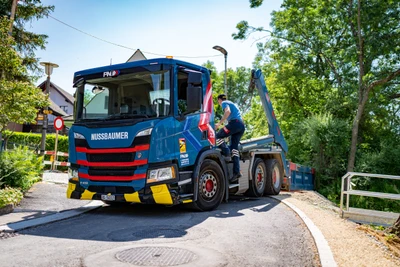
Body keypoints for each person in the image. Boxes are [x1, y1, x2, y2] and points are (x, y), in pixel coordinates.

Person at [215, 94, 245, 183]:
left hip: (234, 124)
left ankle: (226, 152)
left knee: (217, 136)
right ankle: (237, 171)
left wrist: (219, 124)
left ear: (219, 100)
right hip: (241, 126)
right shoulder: (232, 103)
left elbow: (227, 112)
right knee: (234, 148)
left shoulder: (224, 103)